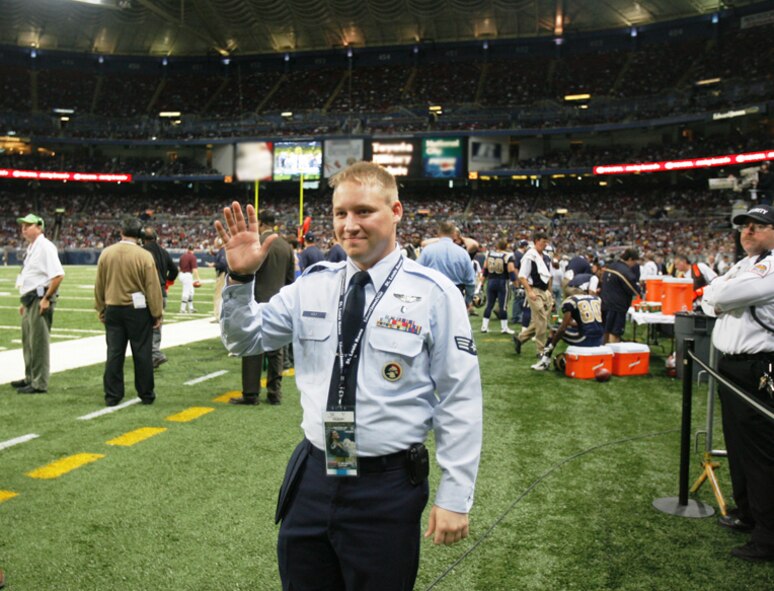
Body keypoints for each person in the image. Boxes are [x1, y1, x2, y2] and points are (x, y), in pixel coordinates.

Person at [215, 161, 482, 590]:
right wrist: (242, 277)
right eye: (341, 214)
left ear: (395, 211)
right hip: (315, 476)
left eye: (363, 212)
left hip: (386, 484)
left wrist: (455, 496)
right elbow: (244, 339)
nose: (349, 225)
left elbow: (460, 398)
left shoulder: (434, 293)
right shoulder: (312, 285)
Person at [701, 204, 774, 562]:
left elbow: (719, 296)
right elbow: (707, 300)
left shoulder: (771, 266)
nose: (748, 231)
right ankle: (748, 515)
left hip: (758, 367)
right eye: (745, 226)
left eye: (758, 226)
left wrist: (718, 292)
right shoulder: (745, 265)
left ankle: (769, 538)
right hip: (732, 367)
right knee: (739, 447)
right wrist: (718, 292)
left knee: (761, 454)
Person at [94, 217, 163, 407]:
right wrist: (157, 313)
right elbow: (152, 287)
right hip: (138, 311)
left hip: (113, 308)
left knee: (114, 353)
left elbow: (99, 284)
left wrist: (101, 308)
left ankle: (112, 395)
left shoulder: (107, 253)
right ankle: (146, 393)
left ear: (121, 232)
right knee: (142, 353)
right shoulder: (144, 256)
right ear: (140, 235)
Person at [230, 210, 295, 406]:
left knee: (252, 347)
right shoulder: (286, 246)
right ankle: (274, 393)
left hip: (256, 301)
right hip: (279, 301)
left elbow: (245, 273)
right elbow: (290, 280)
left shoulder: (256, 244)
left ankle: (251, 394)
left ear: (260, 223)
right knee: (277, 350)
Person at [11, 213, 65, 394]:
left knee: (39, 342)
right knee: (28, 341)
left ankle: (39, 383)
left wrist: (46, 299)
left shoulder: (45, 247)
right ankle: (30, 377)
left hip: (39, 299)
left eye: (28, 225)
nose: (24, 229)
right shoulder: (33, 247)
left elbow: (58, 275)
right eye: (22, 226)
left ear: (39, 227)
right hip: (29, 300)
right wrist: (24, 300)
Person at [531, 291, 604, 370]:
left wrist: (552, 344)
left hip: (585, 338)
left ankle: (545, 361)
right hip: (600, 339)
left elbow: (563, 328)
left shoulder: (570, 301)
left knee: (555, 328)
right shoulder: (596, 298)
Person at [141, 227, 178, 368]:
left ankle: (153, 354)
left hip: (146, 291)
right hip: (161, 291)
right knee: (157, 324)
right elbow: (174, 270)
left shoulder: (142, 251)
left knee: (144, 324)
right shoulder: (163, 251)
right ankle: (153, 354)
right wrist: (167, 282)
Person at [417, 221, 476, 306]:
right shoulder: (462, 253)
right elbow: (470, 281)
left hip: (432, 294)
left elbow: (417, 272)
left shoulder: (428, 250)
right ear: (453, 234)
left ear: (438, 233)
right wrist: (468, 300)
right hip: (455, 295)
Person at [513, 232, 553, 356]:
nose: (545, 244)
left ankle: (521, 338)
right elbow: (522, 276)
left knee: (541, 320)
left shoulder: (546, 257)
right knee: (541, 318)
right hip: (534, 289)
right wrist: (529, 291)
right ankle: (541, 350)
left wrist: (549, 293)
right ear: (536, 241)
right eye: (542, 242)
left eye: (546, 242)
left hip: (544, 291)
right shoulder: (530, 256)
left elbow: (548, 276)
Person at [599, 248, 641, 344]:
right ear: (630, 259)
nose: (634, 265)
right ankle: (613, 354)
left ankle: (603, 353)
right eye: (634, 262)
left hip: (605, 302)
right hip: (617, 306)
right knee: (615, 332)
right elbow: (633, 290)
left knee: (605, 330)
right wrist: (639, 290)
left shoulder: (611, 266)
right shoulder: (625, 272)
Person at [480, 238, 516, 334]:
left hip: (491, 281)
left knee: (489, 305)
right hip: (502, 282)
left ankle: (484, 327)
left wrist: (481, 283)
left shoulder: (489, 254)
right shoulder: (508, 256)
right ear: (506, 246)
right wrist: (516, 283)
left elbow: (485, 269)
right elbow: (511, 270)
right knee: (503, 306)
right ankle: (504, 328)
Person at [510, 239, 528, 324]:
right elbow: (516, 268)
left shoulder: (516, 254)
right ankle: (516, 317)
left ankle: (518, 316)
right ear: (524, 246)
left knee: (519, 298)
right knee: (518, 298)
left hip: (517, 279)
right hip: (518, 280)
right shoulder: (519, 255)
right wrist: (518, 281)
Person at [178, 245, 199, 313]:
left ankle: (191, 308)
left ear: (188, 249)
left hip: (181, 274)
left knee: (191, 292)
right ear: (193, 250)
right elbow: (195, 269)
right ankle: (182, 309)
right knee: (186, 292)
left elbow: (179, 267)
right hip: (187, 275)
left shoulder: (182, 256)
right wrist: (197, 279)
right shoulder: (192, 257)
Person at [211, 238, 228, 322]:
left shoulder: (222, 251)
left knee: (218, 296)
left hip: (221, 275)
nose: (214, 244)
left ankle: (218, 316)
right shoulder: (221, 251)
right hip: (222, 274)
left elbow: (223, 264)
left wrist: (214, 264)